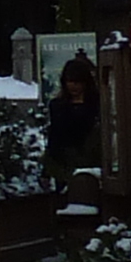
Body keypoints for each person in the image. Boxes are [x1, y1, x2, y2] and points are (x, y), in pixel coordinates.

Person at [46, 53, 102, 190]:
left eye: (78, 82)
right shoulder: (57, 105)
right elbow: (54, 135)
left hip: (92, 162)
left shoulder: (97, 103)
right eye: (70, 81)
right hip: (64, 162)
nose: (73, 86)